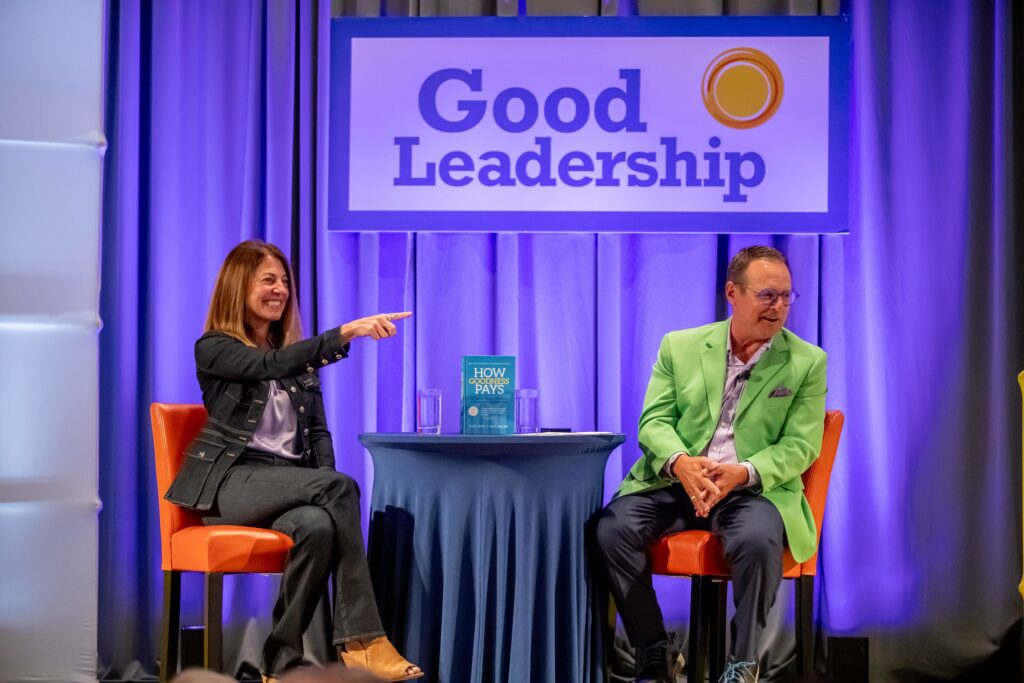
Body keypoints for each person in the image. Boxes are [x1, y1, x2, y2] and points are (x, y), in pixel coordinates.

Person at [164, 240, 423, 682]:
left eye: (284, 281)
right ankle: (363, 641)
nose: (280, 290)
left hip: (288, 484)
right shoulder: (214, 347)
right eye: (268, 280)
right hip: (232, 483)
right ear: (238, 285)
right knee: (339, 486)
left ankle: (279, 664)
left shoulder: (298, 358)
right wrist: (346, 333)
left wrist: (326, 487)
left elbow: (318, 434)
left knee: (319, 527)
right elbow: (269, 364)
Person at [595, 246, 827, 683]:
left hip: (751, 488)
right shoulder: (680, 346)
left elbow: (800, 445)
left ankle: (742, 663)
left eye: (786, 296)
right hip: (678, 482)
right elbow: (654, 422)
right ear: (732, 293)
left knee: (758, 541)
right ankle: (654, 649)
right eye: (767, 295)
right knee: (611, 529)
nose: (778, 307)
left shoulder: (806, 361)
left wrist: (743, 472)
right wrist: (682, 463)